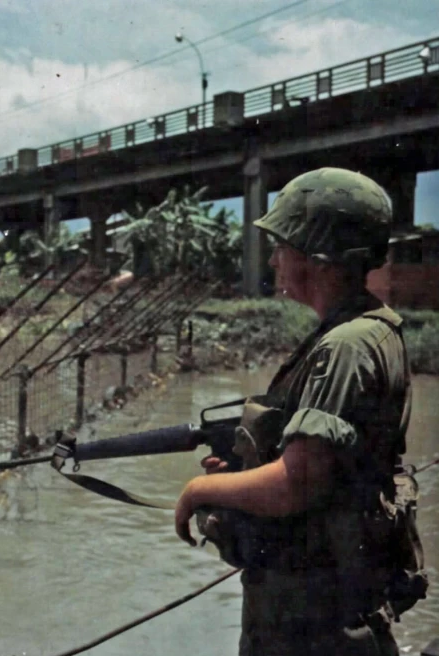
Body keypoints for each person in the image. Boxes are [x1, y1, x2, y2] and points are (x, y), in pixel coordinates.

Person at [174, 167, 421, 655]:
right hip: (319, 606)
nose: (274, 258)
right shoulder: (368, 329)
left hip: (314, 623)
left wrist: (198, 490)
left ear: (320, 258)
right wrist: (242, 479)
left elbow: (298, 482)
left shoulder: (347, 346)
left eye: (283, 245)